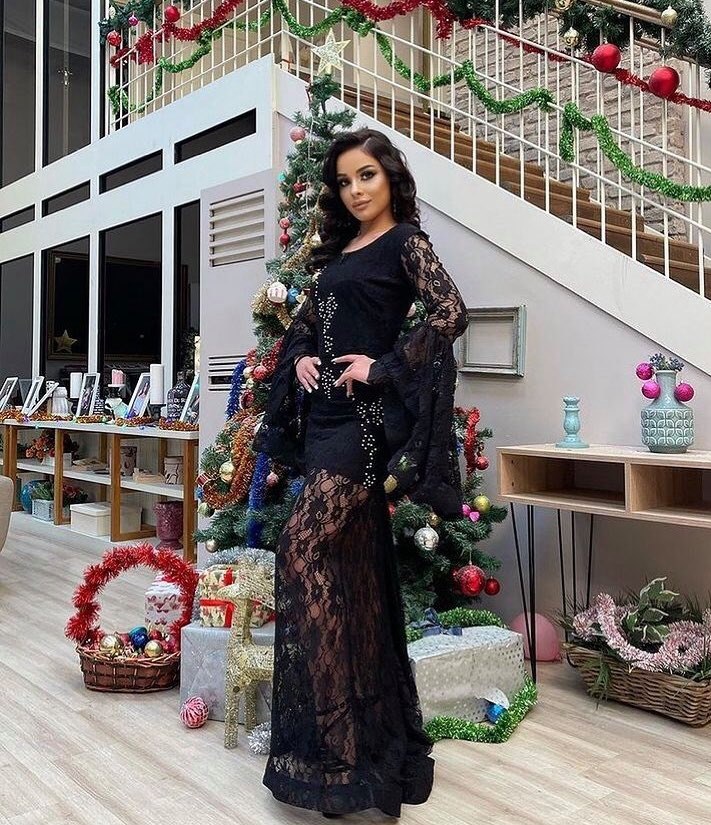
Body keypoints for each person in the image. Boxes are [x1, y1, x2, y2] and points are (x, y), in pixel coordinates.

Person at [253, 127, 468, 819]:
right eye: (345, 181)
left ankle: (342, 743)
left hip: (364, 425)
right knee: (345, 575)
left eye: (366, 175)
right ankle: (352, 745)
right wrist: (302, 355)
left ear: (390, 176)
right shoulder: (339, 249)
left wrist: (386, 366)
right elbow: (309, 322)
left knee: (301, 550)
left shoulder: (405, 241)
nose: (355, 190)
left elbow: (451, 311)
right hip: (323, 420)